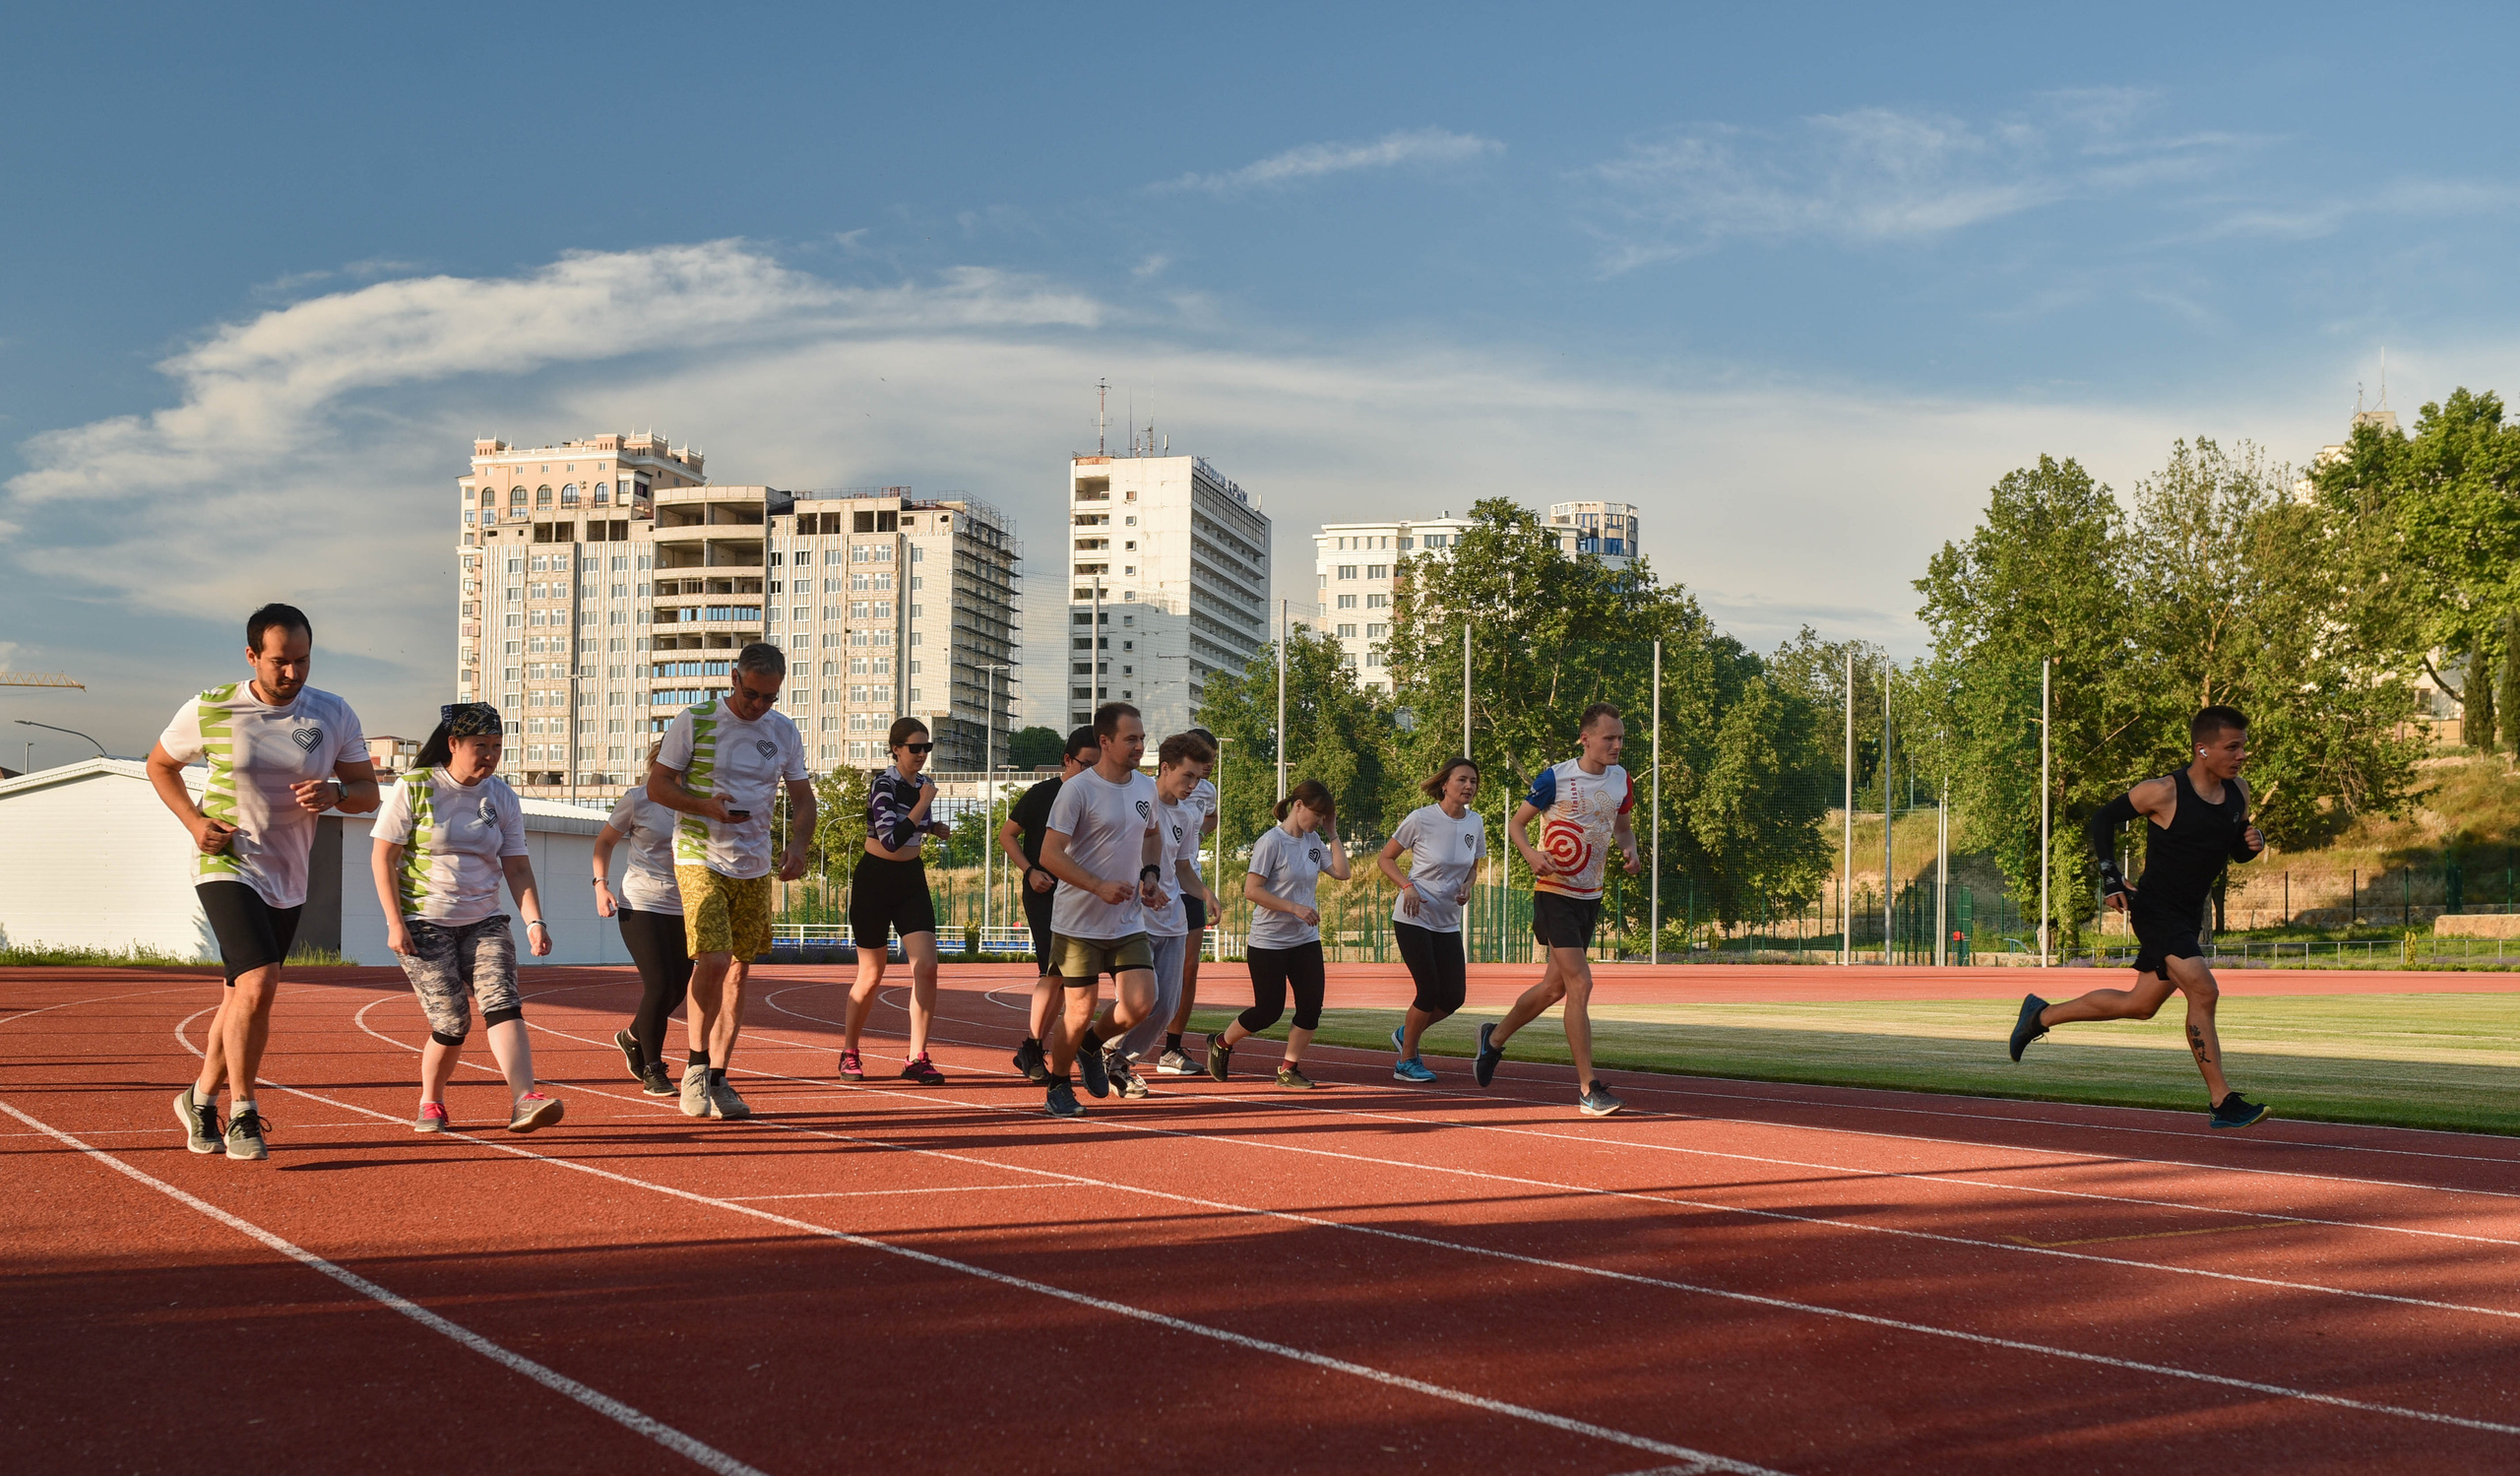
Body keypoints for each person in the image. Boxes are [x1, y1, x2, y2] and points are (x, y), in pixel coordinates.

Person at [150, 603, 379, 1162]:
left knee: (240, 996)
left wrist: (336, 794)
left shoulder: (333, 713)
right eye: (280, 661)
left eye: (303, 660)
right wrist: (195, 822)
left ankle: (199, 1098)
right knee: (258, 982)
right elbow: (160, 765)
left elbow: (367, 793)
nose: (293, 673)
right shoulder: (210, 707)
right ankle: (243, 1112)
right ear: (252, 656)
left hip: (288, 871)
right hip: (227, 861)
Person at [2009, 705, 2273, 1129]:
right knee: (2203, 991)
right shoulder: (2164, 792)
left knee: (2140, 1004)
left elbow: (2234, 848)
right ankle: (2222, 1101)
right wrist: (2111, 877)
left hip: (2188, 915)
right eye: (2233, 747)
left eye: (2243, 746)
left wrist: (2251, 843)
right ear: (2202, 749)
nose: (2242, 755)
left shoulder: (2238, 791)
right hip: (2155, 910)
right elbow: (2103, 818)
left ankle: (2040, 1016)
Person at [371, 703, 564, 1134]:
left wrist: (534, 921)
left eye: (497, 746)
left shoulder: (502, 796)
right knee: (452, 1021)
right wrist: (394, 923)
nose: (490, 755)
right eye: (481, 746)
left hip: (485, 920)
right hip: (424, 922)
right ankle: (431, 1101)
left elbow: (517, 866)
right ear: (454, 744)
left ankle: (524, 1099)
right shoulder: (416, 787)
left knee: (502, 1001)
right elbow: (383, 858)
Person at [648, 642, 814, 1122]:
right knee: (714, 959)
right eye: (752, 694)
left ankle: (719, 1077)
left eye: (770, 697)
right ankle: (695, 1068)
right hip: (699, 854)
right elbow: (658, 786)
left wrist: (798, 845)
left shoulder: (783, 731)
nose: (759, 705)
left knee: (739, 971)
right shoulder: (695, 720)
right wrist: (704, 806)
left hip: (754, 864)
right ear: (734, 678)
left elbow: (804, 799)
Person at [1473, 702, 1640, 1117]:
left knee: (1554, 989)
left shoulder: (1621, 779)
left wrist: (1630, 850)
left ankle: (1494, 1038)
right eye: (1609, 738)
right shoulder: (1556, 777)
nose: (1617, 745)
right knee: (1580, 984)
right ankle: (1588, 1089)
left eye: (1620, 738)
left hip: (1590, 896)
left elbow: (1622, 828)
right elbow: (1516, 824)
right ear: (1585, 739)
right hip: (1555, 893)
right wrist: (1531, 855)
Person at [1036, 702, 1166, 1119]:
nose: (1140, 746)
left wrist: (1150, 875)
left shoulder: (1146, 787)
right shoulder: (1078, 790)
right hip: (1078, 923)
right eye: (1131, 739)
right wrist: (1097, 885)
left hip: (1126, 919)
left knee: (1142, 1002)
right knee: (1078, 1011)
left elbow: (1152, 835)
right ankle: (1058, 1085)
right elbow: (1049, 855)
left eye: (1142, 738)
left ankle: (1091, 1046)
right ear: (1105, 741)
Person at [1209, 779, 1351, 1090]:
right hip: (1269, 942)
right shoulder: (1271, 842)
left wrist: (1332, 833)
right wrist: (1294, 908)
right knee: (1268, 1011)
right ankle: (1221, 1042)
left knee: (1311, 1008)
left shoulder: (1314, 841)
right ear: (1298, 806)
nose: (1319, 820)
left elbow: (1343, 873)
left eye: (1323, 816)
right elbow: (1252, 890)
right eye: (1316, 814)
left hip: (1305, 941)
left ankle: (1288, 1069)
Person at [841, 718, 953, 1086]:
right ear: (896, 749)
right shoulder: (883, 784)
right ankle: (850, 1051)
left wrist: (933, 827)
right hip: (875, 879)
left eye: (926, 748)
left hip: (910, 880)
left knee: (927, 967)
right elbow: (890, 839)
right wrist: (924, 805)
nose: (922, 754)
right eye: (914, 748)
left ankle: (917, 1057)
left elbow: (914, 827)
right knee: (872, 973)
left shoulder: (924, 785)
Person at [1104, 733, 1217, 1096]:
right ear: (1165, 768)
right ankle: (1105, 1048)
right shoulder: (1136, 803)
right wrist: (1139, 884)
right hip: (1135, 919)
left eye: (1198, 778)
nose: (1193, 785)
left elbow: (1182, 867)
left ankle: (1119, 1060)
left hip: (1174, 921)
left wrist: (1206, 893)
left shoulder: (1187, 815)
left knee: (1167, 1006)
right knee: (1143, 1000)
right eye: (1188, 776)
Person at [998, 725, 1099, 1084]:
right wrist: (1029, 871)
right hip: (1045, 892)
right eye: (1086, 765)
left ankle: (1036, 1046)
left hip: (1083, 894)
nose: (1092, 772)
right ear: (1067, 760)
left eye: (1098, 765)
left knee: (1070, 978)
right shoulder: (1043, 793)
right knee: (1054, 972)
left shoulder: (1098, 795)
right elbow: (1007, 835)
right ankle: (1039, 1047)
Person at [1377, 757, 1485, 1083]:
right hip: (1414, 916)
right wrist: (1407, 887)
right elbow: (1386, 858)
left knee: (1453, 997)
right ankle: (1406, 1061)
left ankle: (1406, 1033)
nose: (1469, 786)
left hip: (1447, 920)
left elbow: (1473, 867)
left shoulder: (1475, 822)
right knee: (1428, 990)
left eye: (1473, 781)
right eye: (1462, 780)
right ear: (1444, 785)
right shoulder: (1421, 818)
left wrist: (1468, 885)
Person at [595, 751, 690, 1097]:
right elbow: (604, 842)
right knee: (660, 985)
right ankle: (653, 1068)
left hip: (684, 905)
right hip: (642, 901)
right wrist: (600, 885)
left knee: (678, 988)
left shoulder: (699, 803)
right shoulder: (638, 799)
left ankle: (632, 1036)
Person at [1157, 727, 1223, 1075]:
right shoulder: (1144, 795)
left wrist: (1196, 837)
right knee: (1140, 971)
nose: (1198, 779)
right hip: (1151, 888)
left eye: (1207, 766)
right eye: (1191, 773)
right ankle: (1112, 1044)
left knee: (1188, 968)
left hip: (1187, 883)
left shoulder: (1203, 792)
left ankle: (1171, 1048)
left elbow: (1209, 819)